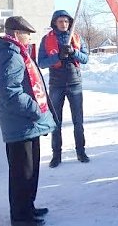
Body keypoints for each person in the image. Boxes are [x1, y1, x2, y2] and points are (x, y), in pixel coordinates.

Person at [0, 16, 56, 226]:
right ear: (17, 34)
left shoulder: (16, 53)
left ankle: (28, 208)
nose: (28, 38)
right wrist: (36, 110)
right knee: (21, 174)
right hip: (21, 123)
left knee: (30, 171)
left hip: (26, 124)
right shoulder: (10, 56)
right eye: (26, 34)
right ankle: (21, 218)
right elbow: (10, 93)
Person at [38, 10, 90, 167]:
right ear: (54, 22)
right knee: (56, 121)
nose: (64, 24)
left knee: (78, 121)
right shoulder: (46, 40)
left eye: (66, 21)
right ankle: (56, 155)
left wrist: (73, 52)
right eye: (60, 21)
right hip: (56, 84)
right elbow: (42, 62)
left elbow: (85, 58)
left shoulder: (76, 37)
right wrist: (57, 57)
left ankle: (81, 151)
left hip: (74, 83)